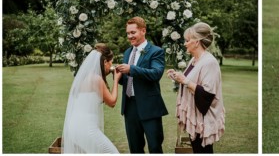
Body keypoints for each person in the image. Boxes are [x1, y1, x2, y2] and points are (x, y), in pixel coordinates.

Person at [167, 22, 225, 153]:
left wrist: (185, 80)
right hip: (195, 116)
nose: (185, 43)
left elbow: (207, 93)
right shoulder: (194, 60)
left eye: (187, 40)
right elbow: (190, 81)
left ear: (197, 42)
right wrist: (177, 76)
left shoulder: (209, 62)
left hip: (203, 118)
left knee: (203, 151)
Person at [116, 16, 168, 153]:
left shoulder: (156, 51)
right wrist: (118, 75)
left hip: (149, 106)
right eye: (128, 33)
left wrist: (131, 69)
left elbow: (156, 73)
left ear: (143, 31)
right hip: (130, 106)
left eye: (133, 32)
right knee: (135, 147)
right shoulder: (127, 52)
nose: (129, 36)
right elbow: (128, 80)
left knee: (155, 147)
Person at [62, 43, 121, 153]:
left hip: (75, 127)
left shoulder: (85, 77)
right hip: (86, 129)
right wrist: (116, 80)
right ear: (104, 62)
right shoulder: (96, 79)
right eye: (110, 62)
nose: (111, 66)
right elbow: (112, 102)